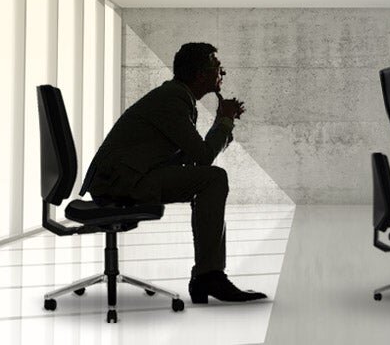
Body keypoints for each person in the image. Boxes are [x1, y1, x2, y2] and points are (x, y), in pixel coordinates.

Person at [82, 42, 267, 303]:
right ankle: (209, 275)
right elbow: (203, 157)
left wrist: (222, 124)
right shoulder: (173, 99)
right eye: (217, 67)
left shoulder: (177, 97)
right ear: (201, 75)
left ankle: (207, 275)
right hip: (121, 182)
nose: (222, 72)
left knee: (209, 180)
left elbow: (194, 160)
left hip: (125, 178)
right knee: (214, 179)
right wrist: (224, 121)